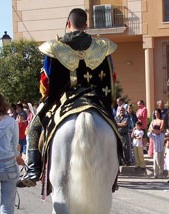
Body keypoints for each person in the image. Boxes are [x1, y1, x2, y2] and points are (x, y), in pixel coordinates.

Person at [17, 8, 117, 187]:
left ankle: (33, 170)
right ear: (86, 25)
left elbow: (45, 80)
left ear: (68, 24)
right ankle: (114, 177)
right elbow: (111, 78)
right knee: (112, 128)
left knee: (34, 128)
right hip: (94, 98)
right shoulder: (102, 47)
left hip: (63, 99)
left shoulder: (55, 47)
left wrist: (47, 97)